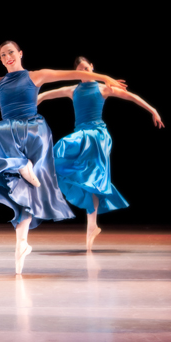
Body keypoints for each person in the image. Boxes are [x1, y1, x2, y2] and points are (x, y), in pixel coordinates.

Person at [0, 41, 127, 274]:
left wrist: (104, 77)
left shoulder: (35, 76)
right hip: (10, 132)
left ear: (20, 54)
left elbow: (73, 73)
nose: (7, 56)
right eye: (2, 55)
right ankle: (22, 243)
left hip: (32, 131)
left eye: (11, 52)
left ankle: (22, 166)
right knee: (21, 188)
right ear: (0, 60)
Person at [38, 56, 164, 250]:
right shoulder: (72, 90)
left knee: (93, 179)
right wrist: (32, 102)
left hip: (97, 136)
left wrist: (153, 109)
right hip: (82, 135)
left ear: (93, 68)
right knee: (87, 179)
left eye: (87, 68)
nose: (86, 72)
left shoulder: (103, 88)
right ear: (77, 73)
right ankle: (92, 225)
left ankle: (91, 226)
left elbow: (131, 97)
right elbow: (45, 95)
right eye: (81, 70)